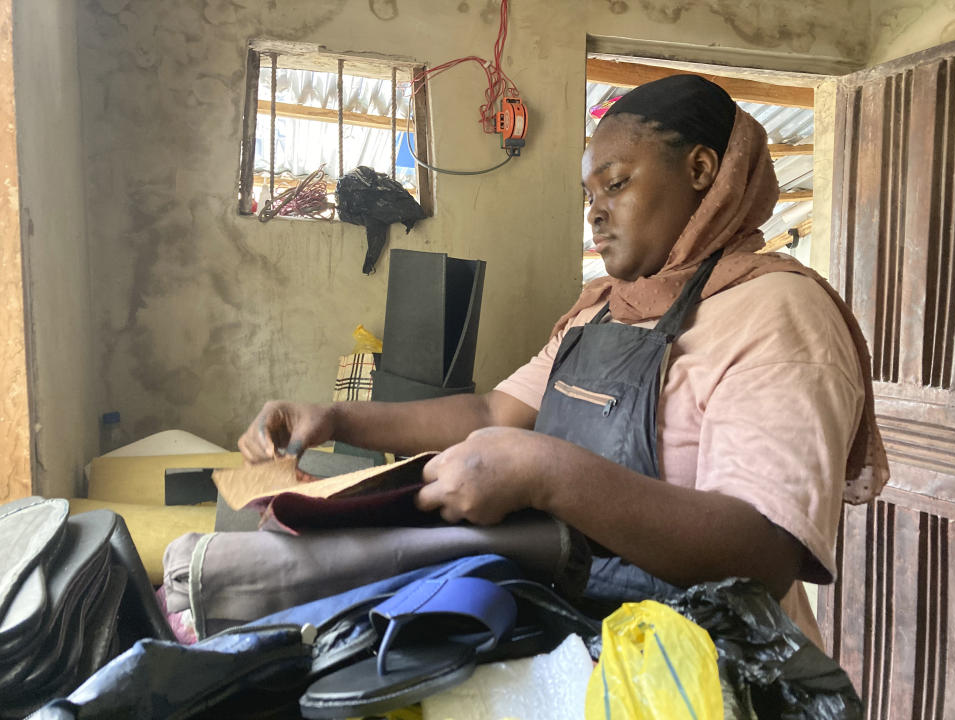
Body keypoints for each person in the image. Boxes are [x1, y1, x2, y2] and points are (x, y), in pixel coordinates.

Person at [238, 75, 888, 647]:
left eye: (617, 183)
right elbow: (495, 410)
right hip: (587, 634)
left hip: (711, 669)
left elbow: (764, 554)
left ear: (700, 170)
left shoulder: (778, 313)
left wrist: (547, 472)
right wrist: (335, 419)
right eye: (588, 195)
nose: (596, 213)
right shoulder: (604, 309)